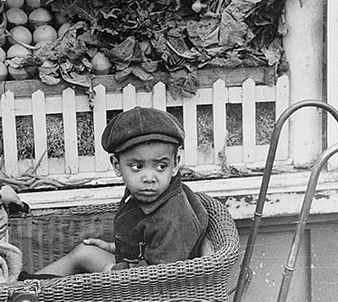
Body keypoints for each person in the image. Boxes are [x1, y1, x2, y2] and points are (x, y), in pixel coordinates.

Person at [36, 106, 209, 275]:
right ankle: (30, 284)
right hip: (136, 265)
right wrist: (113, 248)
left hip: (155, 287)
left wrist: (112, 270)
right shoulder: (143, 196)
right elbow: (142, 242)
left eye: (161, 166)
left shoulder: (173, 217)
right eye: (137, 166)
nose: (149, 177)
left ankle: (31, 290)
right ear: (117, 166)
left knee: (84, 255)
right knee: (85, 250)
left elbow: (161, 275)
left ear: (175, 164)